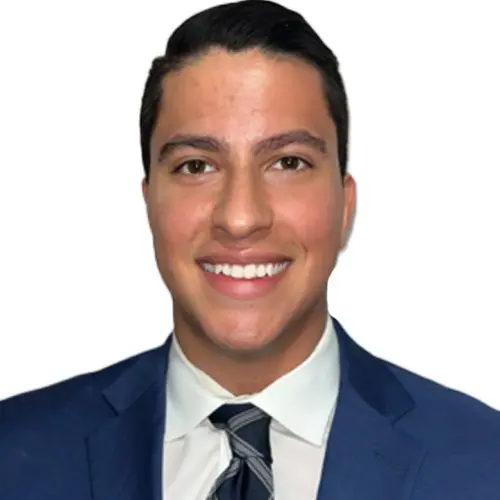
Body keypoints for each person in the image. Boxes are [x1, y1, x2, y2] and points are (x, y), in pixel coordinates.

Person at [1, 0, 500, 498]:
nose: (240, 218)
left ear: (345, 205)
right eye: (197, 166)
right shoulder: (15, 453)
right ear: (150, 202)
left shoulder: (485, 462)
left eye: (288, 163)